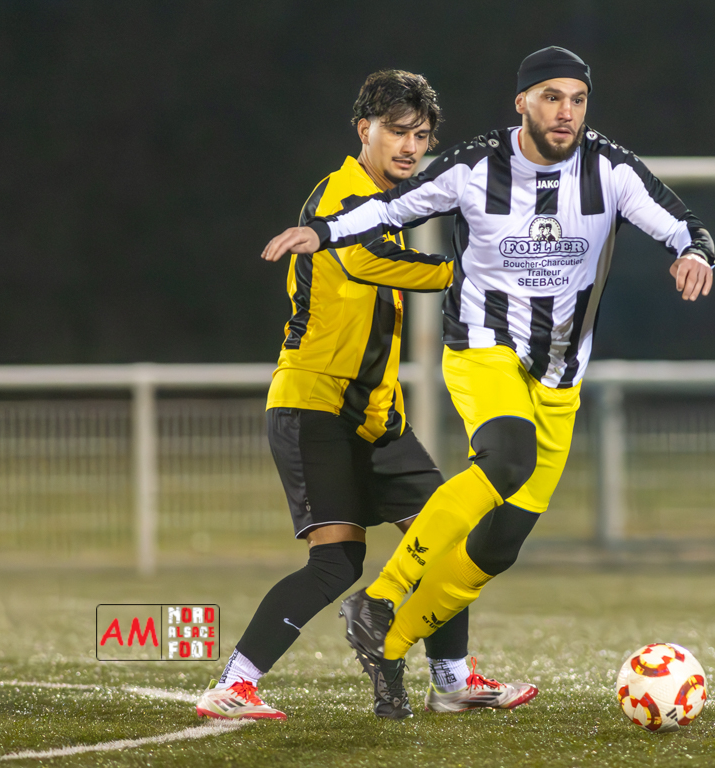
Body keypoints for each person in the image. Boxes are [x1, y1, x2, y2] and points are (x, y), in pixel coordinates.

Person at [261, 46, 715, 718]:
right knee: (506, 457)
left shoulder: (610, 170)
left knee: (500, 541)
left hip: (560, 374)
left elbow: (683, 225)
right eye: (552, 97)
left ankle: (392, 644)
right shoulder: (475, 166)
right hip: (482, 346)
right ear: (522, 102)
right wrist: (321, 233)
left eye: (578, 99)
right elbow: (391, 210)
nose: (566, 112)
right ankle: (380, 598)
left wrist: (694, 254)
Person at [195, 70, 537, 722]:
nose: (411, 147)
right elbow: (361, 259)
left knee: (444, 535)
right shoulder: (341, 195)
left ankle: (452, 680)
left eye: (422, 135)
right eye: (398, 132)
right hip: (315, 404)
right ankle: (234, 685)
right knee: (336, 562)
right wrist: (465, 273)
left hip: (376, 415)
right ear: (364, 130)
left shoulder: (391, 204)